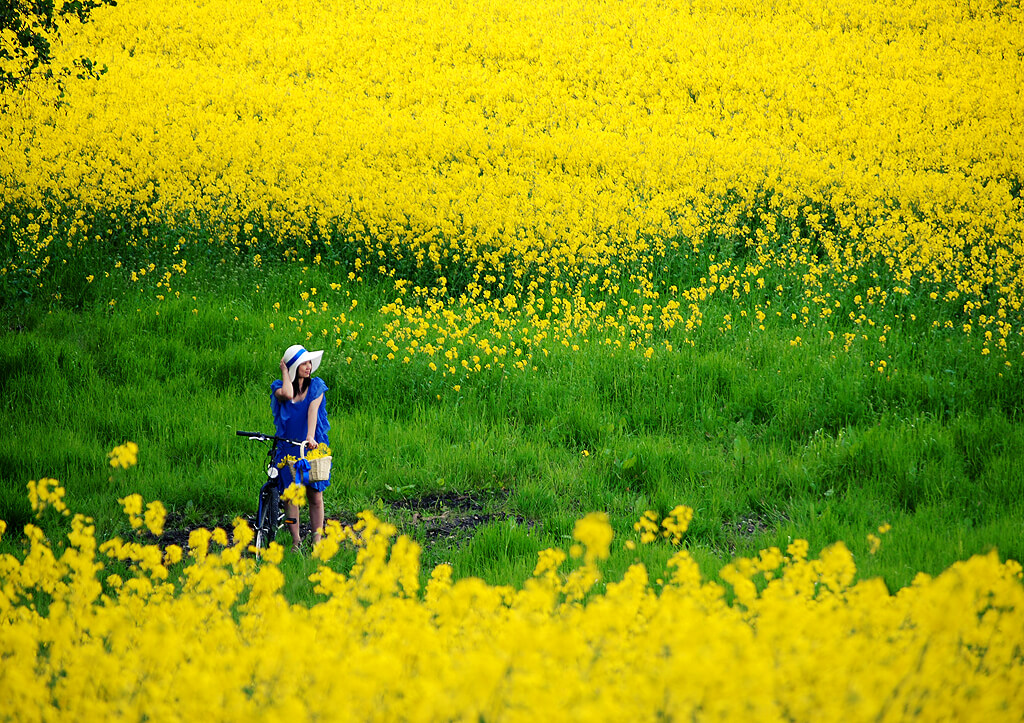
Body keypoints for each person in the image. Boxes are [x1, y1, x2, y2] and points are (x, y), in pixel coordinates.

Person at [271, 344, 330, 552]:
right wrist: (285, 372)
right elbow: (287, 394)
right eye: (303, 363)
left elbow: (313, 412)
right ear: (294, 367)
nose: (309, 366)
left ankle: (317, 541)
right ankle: (295, 540)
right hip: (288, 447)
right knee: (290, 497)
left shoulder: (316, 387)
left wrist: (311, 436)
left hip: (310, 446)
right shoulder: (279, 387)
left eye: (309, 363)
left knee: (315, 495)